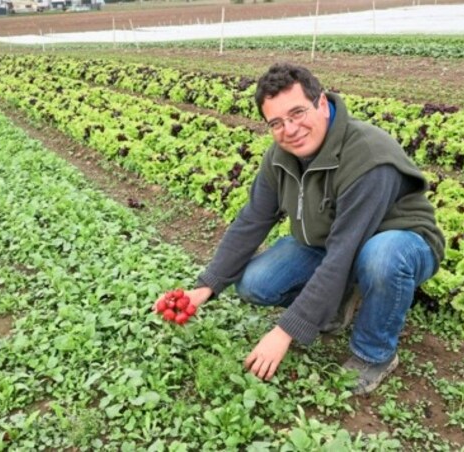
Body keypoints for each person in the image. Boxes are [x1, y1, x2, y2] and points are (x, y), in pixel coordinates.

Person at [156, 62, 445, 395]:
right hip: (328, 241)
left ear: (321, 104)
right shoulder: (281, 156)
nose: (289, 129)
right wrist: (204, 287)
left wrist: (285, 331)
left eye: (297, 113)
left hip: (400, 241)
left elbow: (343, 253)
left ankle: (374, 353)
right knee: (254, 284)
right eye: (276, 122)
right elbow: (252, 220)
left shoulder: (368, 157)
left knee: (380, 259)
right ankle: (336, 306)